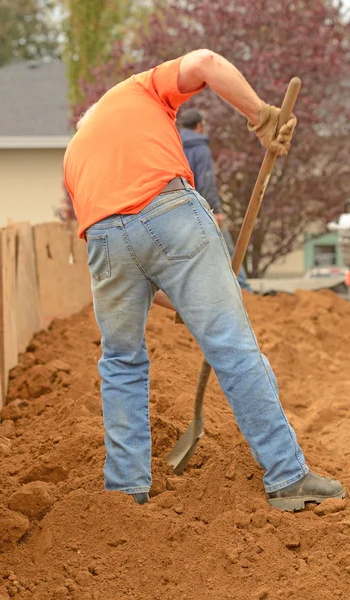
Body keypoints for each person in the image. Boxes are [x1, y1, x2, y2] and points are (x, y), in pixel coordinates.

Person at [64, 49, 345, 510]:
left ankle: (126, 490)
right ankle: (286, 475)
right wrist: (261, 116)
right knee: (231, 346)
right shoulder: (138, 89)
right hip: (169, 209)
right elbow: (207, 62)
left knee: (120, 361)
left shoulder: (75, 156)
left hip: (104, 240)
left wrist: (180, 300)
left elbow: (119, 258)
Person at [179, 107, 251, 291]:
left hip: (177, 208)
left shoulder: (174, 146)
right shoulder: (200, 148)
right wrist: (216, 210)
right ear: (199, 126)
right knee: (224, 244)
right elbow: (206, 181)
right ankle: (242, 287)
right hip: (199, 206)